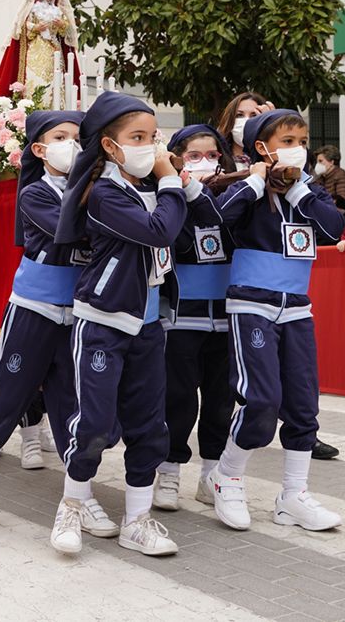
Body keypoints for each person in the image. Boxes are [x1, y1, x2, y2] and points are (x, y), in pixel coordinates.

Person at [0, 111, 112, 532]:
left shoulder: (98, 189)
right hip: (34, 309)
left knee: (71, 404)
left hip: (80, 312)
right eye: (61, 137)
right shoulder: (35, 194)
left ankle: (80, 494)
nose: (73, 145)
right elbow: (70, 229)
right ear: (39, 150)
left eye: (79, 138)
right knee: (8, 395)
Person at [52, 91, 188, 557]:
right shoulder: (104, 193)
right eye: (138, 137)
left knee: (150, 426)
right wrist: (171, 181)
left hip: (147, 324)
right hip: (104, 323)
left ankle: (137, 520)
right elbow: (159, 231)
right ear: (110, 147)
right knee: (92, 424)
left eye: (153, 137)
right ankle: (72, 506)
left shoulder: (149, 188)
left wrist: (178, 186)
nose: (150, 147)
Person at [207, 109, 345, 534]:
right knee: (262, 399)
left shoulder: (310, 191)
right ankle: (226, 476)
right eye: (287, 140)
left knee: (303, 405)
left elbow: (333, 227)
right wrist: (254, 181)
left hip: (296, 308)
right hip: (252, 305)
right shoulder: (242, 189)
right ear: (263, 148)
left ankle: (293, 496)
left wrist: (299, 192)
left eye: (301, 139)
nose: (297, 148)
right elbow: (215, 220)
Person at [151, 124, 235, 512]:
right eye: (194, 155)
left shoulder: (235, 199)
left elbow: (228, 229)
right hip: (183, 320)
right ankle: (168, 471)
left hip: (225, 319)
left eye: (213, 155)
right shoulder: (168, 201)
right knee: (178, 398)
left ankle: (211, 475)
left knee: (220, 401)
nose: (206, 162)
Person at [217, 91, 274, 167]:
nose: (247, 121)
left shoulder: (273, 158)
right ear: (229, 120)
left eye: (254, 116)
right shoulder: (215, 158)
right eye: (240, 115)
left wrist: (273, 125)